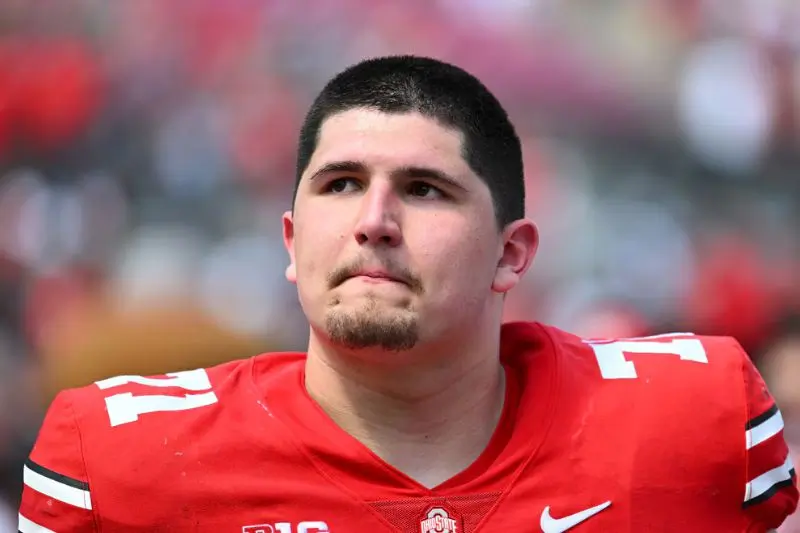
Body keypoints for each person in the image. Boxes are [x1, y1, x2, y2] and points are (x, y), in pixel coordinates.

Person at [18, 55, 798, 532]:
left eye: (423, 189)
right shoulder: (120, 462)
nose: (374, 221)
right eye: (341, 183)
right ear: (292, 242)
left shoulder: (695, 421)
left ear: (511, 251)